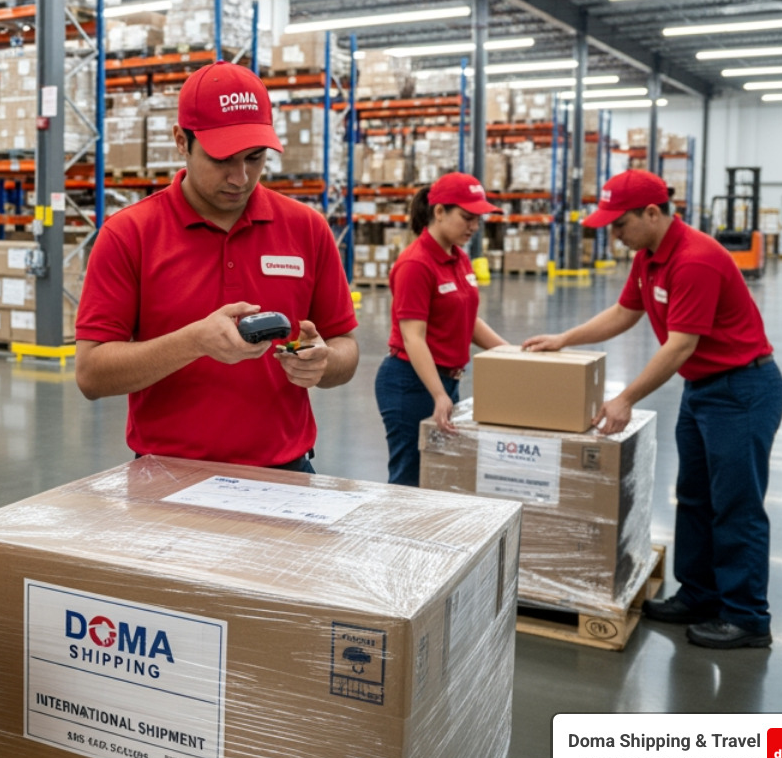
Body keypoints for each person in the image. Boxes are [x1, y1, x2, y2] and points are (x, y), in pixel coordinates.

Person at [524, 169, 782, 650]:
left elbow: (680, 345)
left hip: (741, 390)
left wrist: (625, 399)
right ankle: (701, 594)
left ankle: (747, 617)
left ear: (652, 212)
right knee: (695, 496)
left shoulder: (695, 259)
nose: (614, 235)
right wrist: (565, 338)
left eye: (619, 225)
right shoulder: (649, 257)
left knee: (736, 505)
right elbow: (626, 312)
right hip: (703, 389)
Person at [74, 61, 360, 473]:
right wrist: (195, 342)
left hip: (285, 473)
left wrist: (323, 361)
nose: (240, 178)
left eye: (255, 158)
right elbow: (91, 374)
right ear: (181, 141)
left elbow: (346, 346)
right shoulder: (128, 234)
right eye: (222, 158)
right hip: (167, 475)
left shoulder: (307, 228)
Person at [374, 173, 512, 486]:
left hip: (445, 381)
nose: (474, 227)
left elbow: (468, 319)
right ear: (439, 212)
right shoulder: (415, 264)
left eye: (478, 219)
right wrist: (438, 394)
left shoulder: (458, 258)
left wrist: (511, 352)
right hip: (410, 383)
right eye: (467, 218)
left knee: (439, 476)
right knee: (411, 477)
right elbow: (413, 337)